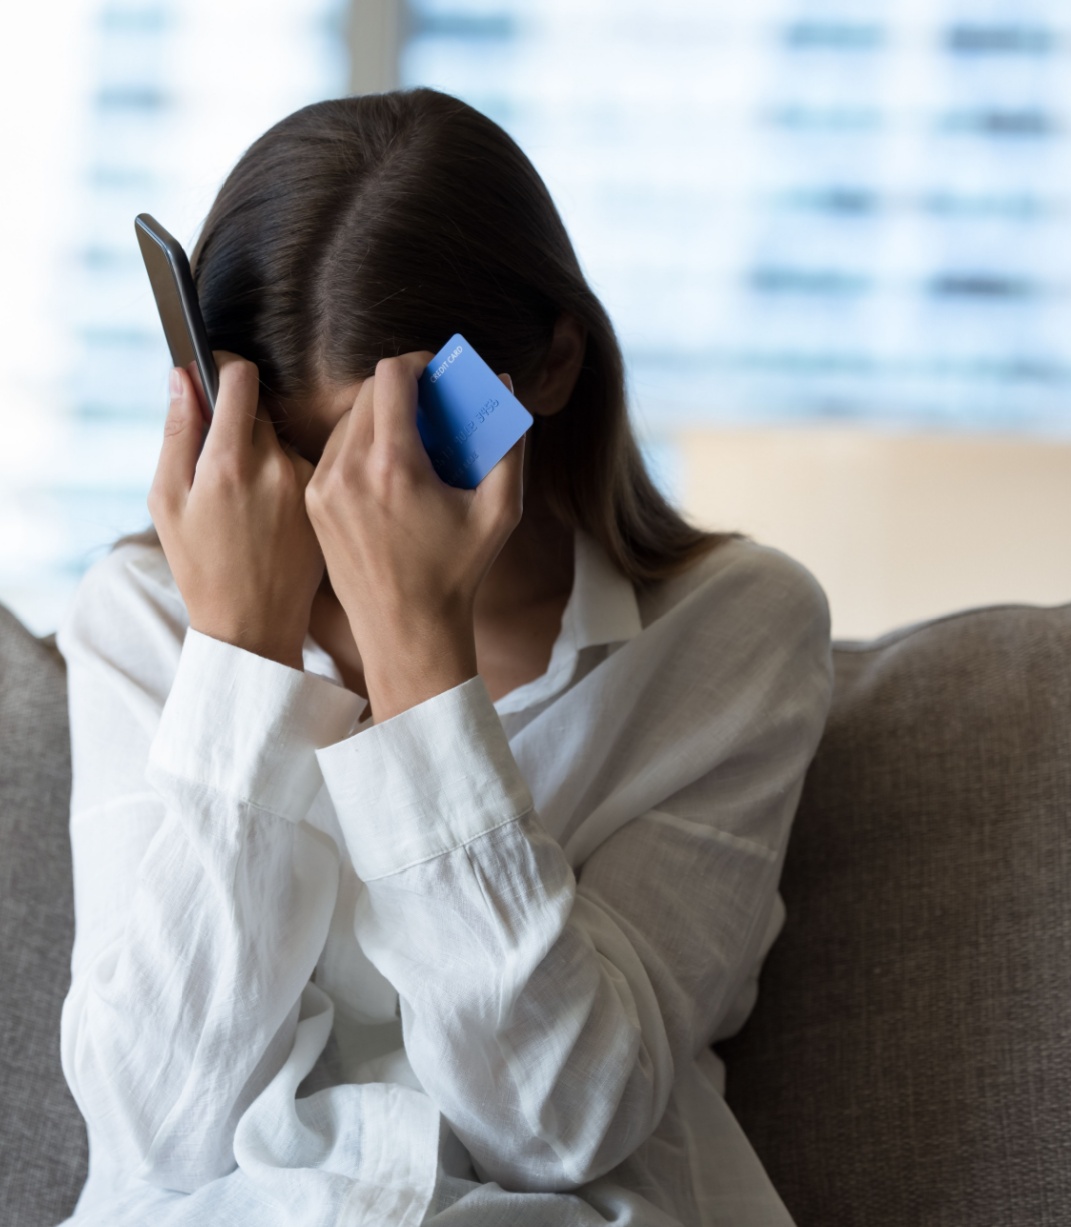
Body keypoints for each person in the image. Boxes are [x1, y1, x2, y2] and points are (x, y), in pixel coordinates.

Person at [54, 88, 832, 1227]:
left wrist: (423, 667)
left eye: (385, 464)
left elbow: (559, 1123)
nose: (331, 512)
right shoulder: (142, 618)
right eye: (293, 452)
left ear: (547, 371)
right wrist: (241, 658)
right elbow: (158, 1124)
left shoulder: (731, 631)